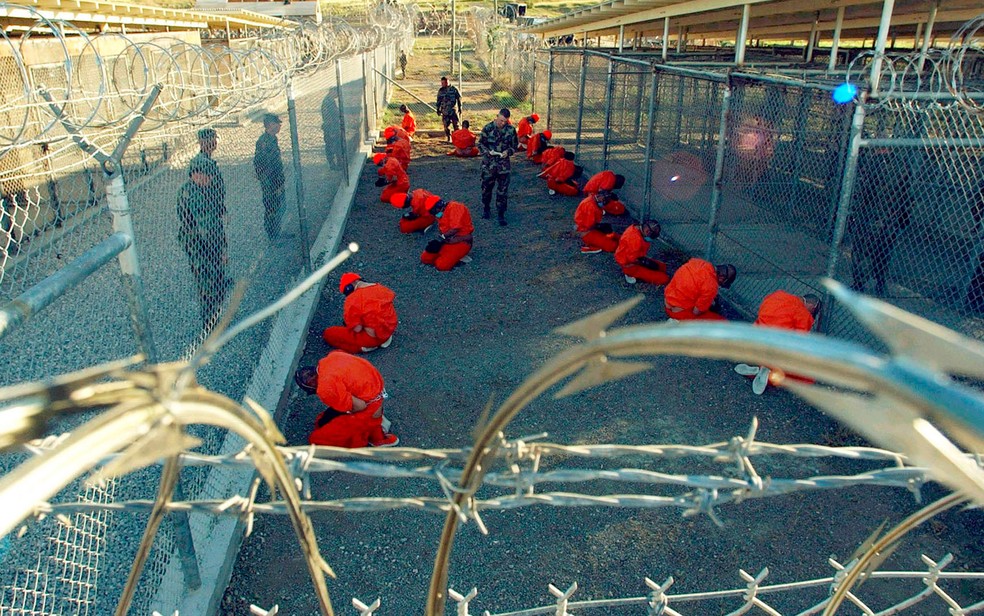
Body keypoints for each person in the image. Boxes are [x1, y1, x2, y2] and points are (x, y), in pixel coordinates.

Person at [294, 351, 399, 448]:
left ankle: (372, 434)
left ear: (311, 385)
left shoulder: (325, 388)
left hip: (369, 408)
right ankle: (375, 424)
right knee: (325, 418)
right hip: (377, 393)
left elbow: (360, 406)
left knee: (316, 438)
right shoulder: (332, 357)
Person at [849, 149, 912, 296]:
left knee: (863, 250)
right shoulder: (902, 165)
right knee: (883, 251)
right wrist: (903, 217)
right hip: (890, 217)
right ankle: (879, 282)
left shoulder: (874, 163)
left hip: (870, 215)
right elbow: (907, 194)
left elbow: (863, 191)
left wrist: (854, 214)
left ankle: (860, 282)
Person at [177, 156, 231, 329]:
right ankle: (211, 322)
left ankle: (215, 314)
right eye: (207, 176)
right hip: (200, 243)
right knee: (207, 281)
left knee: (213, 277)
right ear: (196, 174)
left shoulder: (198, 189)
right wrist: (220, 251)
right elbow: (208, 227)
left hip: (203, 241)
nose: (210, 179)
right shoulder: (193, 194)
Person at [735, 292, 822, 394]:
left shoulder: (778, 295)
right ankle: (766, 371)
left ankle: (759, 368)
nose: (812, 314)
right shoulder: (804, 314)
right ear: (812, 305)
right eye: (813, 311)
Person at [322, 272, 398, 353]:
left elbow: (357, 329)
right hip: (388, 330)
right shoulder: (381, 288)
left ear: (349, 287)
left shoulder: (352, 300)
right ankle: (383, 339)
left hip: (371, 338)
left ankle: (364, 347)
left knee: (329, 334)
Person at [477, 108, 519, 226]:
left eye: (505, 121)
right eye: (501, 120)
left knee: (502, 191)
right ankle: (486, 208)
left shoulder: (511, 130)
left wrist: (508, 151)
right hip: (488, 165)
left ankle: (501, 213)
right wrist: (487, 152)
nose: (502, 123)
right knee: (486, 189)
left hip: (503, 166)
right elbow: (480, 144)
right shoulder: (488, 128)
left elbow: (514, 146)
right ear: (497, 117)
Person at [664, 258, 736, 321]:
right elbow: (696, 312)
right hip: (678, 313)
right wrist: (707, 305)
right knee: (722, 321)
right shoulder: (711, 286)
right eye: (722, 283)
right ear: (722, 278)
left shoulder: (698, 262)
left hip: (667, 302)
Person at [253, 113, 286, 239]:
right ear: (271, 125)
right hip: (270, 182)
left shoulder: (272, 139)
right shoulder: (264, 141)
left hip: (275, 180)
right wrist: (274, 183)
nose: (279, 126)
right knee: (272, 207)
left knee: (279, 206)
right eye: (277, 124)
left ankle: (277, 231)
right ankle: (272, 235)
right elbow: (263, 164)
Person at [420, 196, 474, 271]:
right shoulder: (441, 212)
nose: (433, 214)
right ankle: (452, 256)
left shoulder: (455, 207)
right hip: (448, 240)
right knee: (425, 258)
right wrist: (439, 242)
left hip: (462, 240)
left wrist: (442, 237)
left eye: (433, 211)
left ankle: (457, 258)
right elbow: (444, 230)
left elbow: (455, 228)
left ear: (438, 206)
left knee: (441, 265)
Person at [615, 220, 668, 285]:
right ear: (647, 232)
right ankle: (630, 274)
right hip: (630, 265)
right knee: (664, 279)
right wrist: (645, 263)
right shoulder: (635, 241)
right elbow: (631, 260)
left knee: (662, 267)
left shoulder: (635, 229)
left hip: (636, 257)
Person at [436, 76, 462, 142]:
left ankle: (457, 139)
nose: (442, 84)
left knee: (456, 125)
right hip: (445, 111)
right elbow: (438, 100)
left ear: (447, 82)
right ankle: (448, 138)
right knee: (446, 126)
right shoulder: (441, 90)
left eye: (443, 83)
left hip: (453, 111)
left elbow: (459, 99)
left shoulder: (454, 89)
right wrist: (438, 109)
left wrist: (460, 108)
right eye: (441, 83)